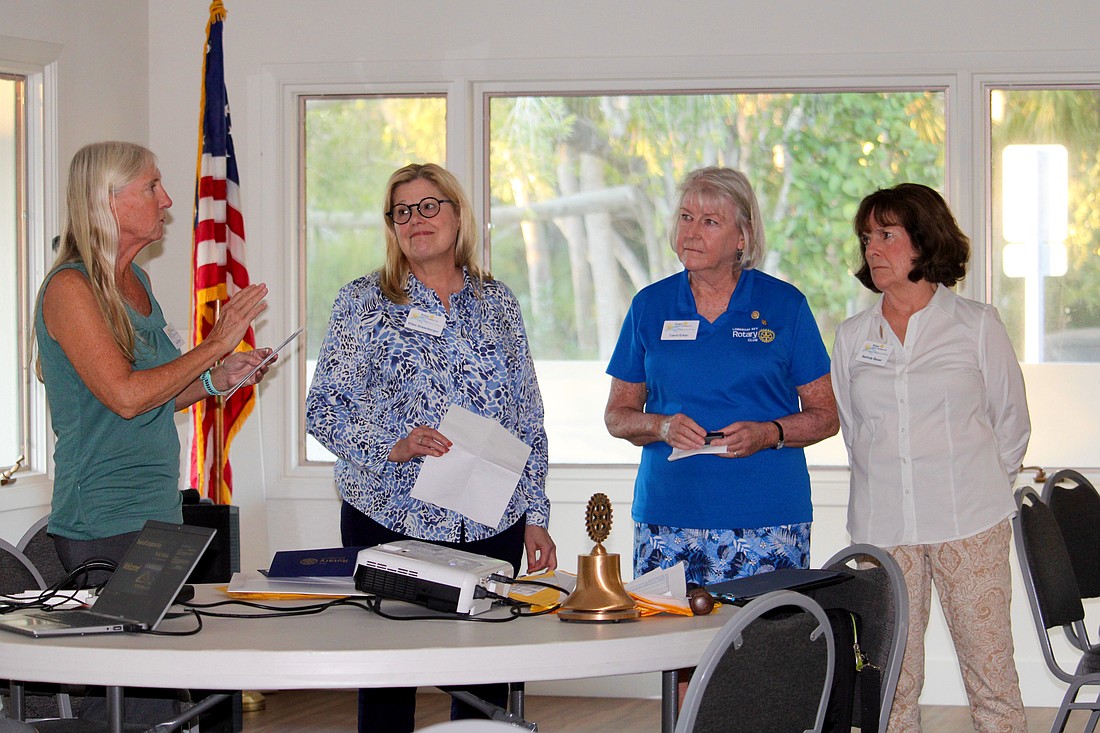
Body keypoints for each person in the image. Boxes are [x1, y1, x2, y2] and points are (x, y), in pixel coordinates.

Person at [306, 162, 556, 732]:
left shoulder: (498, 302)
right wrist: (391, 444)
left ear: (458, 214)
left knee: (486, 684)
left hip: (493, 523)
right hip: (390, 520)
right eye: (402, 212)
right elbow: (322, 411)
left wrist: (536, 515)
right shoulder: (363, 302)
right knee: (390, 683)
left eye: (429, 206)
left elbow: (529, 417)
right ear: (391, 227)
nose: (416, 221)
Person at [34, 141, 272, 721]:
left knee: (159, 700)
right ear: (108, 202)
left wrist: (217, 377)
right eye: (151, 187)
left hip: (157, 515)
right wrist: (214, 343)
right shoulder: (70, 289)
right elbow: (125, 397)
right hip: (104, 522)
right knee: (133, 707)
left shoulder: (135, 280)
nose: (167, 201)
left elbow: (158, 393)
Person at [832, 183, 1030, 732]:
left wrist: (968, 483)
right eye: (867, 237)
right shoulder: (852, 338)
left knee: (992, 681)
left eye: (887, 235)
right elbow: (857, 431)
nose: (872, 248)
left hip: (970, 525)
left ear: (924, 241)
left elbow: (1011, 425)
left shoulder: (977, 324)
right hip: (883, 530)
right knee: (889, 682)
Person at [604, 166, 839, 588]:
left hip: (768, 522)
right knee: (669, 653)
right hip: (668, 520)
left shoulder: (785, 306)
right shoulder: (649, 306)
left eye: (710, 222)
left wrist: (768, 433)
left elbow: (826, 415)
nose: (691, 232)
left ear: (742, 238)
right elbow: (617, 416)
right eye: (686, 217)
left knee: (765, 651)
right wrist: (661, 425)